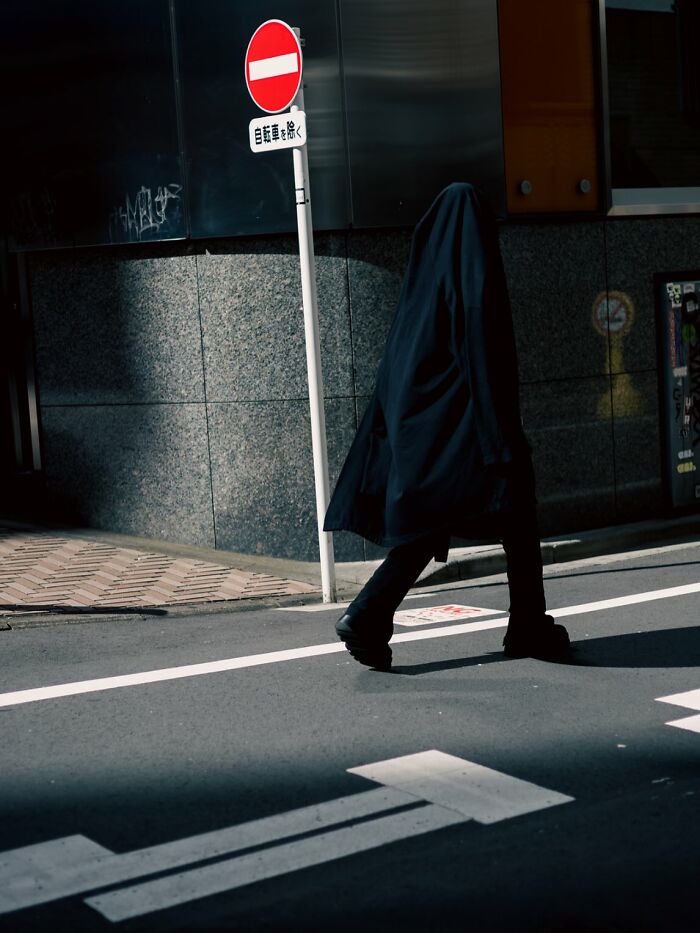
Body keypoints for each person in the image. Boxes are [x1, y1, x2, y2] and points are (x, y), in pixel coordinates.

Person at [323, 183, 570, 671]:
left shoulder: (421, 289)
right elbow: (485, 355)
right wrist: (501, 434)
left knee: (433, 519)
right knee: (517, 512)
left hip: (420, 435)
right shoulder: (472, 281)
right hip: (468, 431)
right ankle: (525, 624)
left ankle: (370, 615)